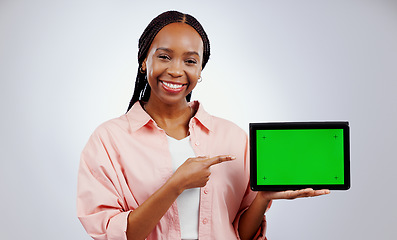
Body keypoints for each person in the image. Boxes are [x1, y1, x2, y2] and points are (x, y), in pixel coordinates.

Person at [76, 10, 329, 240]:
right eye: (164, 56)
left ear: (200, 70)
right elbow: (116, 236)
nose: (176, 70)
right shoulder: (108, 140)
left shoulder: (232, 137)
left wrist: (263, 197)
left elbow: (241, 233)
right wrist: (176, 185)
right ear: (144, 61)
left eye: (190, 61)